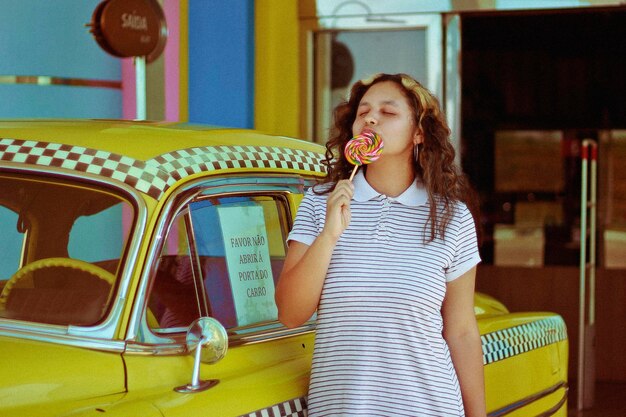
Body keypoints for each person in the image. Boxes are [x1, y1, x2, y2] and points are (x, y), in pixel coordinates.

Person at [275, 73, 486, 417]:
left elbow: (461, 331)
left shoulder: (452, 217)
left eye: (388, 113)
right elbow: (290, 314)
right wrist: (329, 234)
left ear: (419, 133)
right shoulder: (319, 204)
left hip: (430, 406)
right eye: (363, 112)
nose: (371, 118)